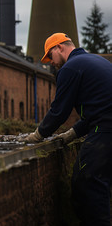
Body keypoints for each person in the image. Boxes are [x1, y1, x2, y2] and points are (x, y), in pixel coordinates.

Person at [22, 32, 112, 225]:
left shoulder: (70, 68)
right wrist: (71, 134)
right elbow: (100, 109)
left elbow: (59, 111)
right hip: (105, 126)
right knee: (99, 182)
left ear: (59, 47)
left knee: (88, 182)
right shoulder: (96, 61)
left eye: (50, 56)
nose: (51, 63)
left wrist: (37, 135)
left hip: (105, 131)